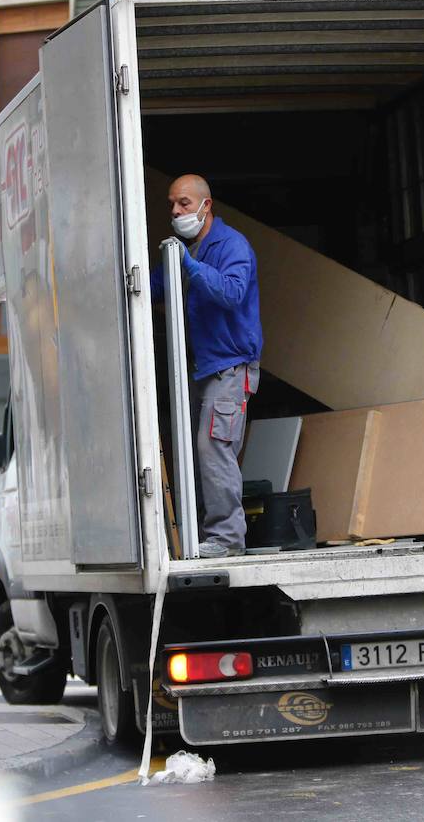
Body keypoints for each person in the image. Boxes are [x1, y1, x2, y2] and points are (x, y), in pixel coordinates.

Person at [164, 174, 262, 558]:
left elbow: (232, 292)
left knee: (213, 449)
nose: (175, 211)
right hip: (206, 369)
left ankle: (226, 540)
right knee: (197, 452)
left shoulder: (230, 245)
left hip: (230, 369)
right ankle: (205, 534)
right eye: (172, 204)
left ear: (207, 205)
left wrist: (187, 265)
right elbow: (158, 285)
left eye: (184, 203)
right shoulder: (198, 249)